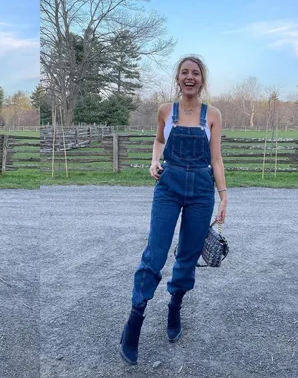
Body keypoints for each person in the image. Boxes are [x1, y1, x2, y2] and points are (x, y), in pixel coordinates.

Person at [119, 55, 228, 365]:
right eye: (185, 72)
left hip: (202, 192)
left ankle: (175, 304)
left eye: (195, 73)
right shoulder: (166, 111)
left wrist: (224, 197)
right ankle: (135, 320)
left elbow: (216, 159)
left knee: (188, 256)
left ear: (202, 80)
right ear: (178, 78)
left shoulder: (213, 115)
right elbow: (158, 141)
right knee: (155, 253)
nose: (190, 77)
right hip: (169, 186)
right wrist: (155, 161)